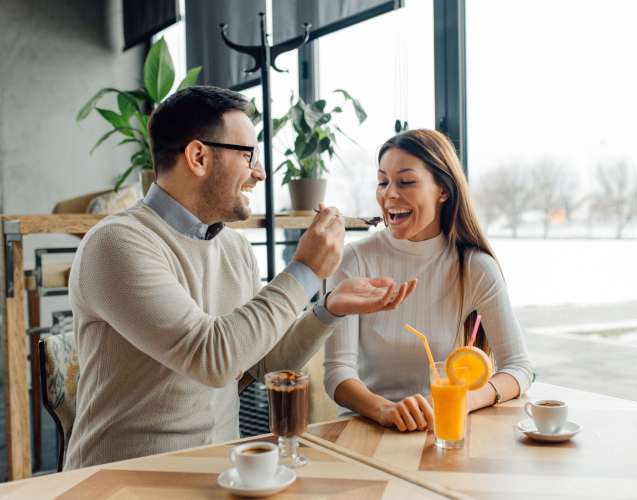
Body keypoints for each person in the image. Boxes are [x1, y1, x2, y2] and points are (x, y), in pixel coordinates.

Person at [64, 86, 416, 469]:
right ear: (198, 156)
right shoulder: (117, 243)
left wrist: (328, 310)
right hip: (123, 479)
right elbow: (212, 358)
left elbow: (260, 365)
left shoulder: (233, 248)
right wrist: (306, 270)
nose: (261, 173)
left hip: (219, 470)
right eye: (249, 155)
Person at [324, 129, 532, 432]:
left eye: (406, 182)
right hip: (369, 425)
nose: (389, 194)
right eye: (383, 182)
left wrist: (465, 400)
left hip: (444, 427)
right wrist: (386, 410)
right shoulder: (354, 260)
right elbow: (337, 373)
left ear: (443, 190)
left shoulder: (475, 267)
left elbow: (519, 367)